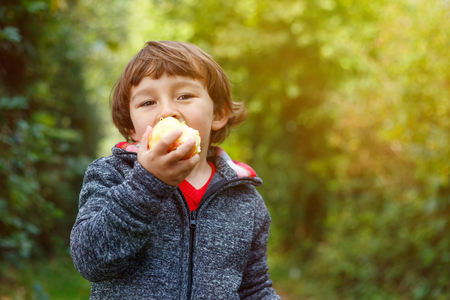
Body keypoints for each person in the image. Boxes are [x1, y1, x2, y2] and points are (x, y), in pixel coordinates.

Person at [70, 40, 280, 300]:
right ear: (132, 127)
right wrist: (146, 184)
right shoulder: (112, 175)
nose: (167, 111)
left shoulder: (244, 199)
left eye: (184, 96)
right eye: (148, 102)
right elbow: (90, 260)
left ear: (218, 113)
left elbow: (254, 289)